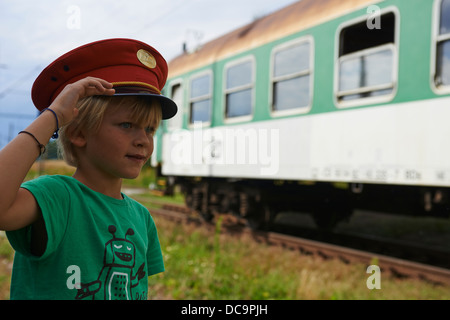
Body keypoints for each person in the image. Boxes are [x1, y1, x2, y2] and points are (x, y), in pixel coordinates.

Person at [0, 38, 177, 300]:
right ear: (80, 133)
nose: (143, 140)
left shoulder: (141, 218)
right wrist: (54, 115)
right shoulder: (56, 198)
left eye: (150, 129)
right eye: (127, 125)